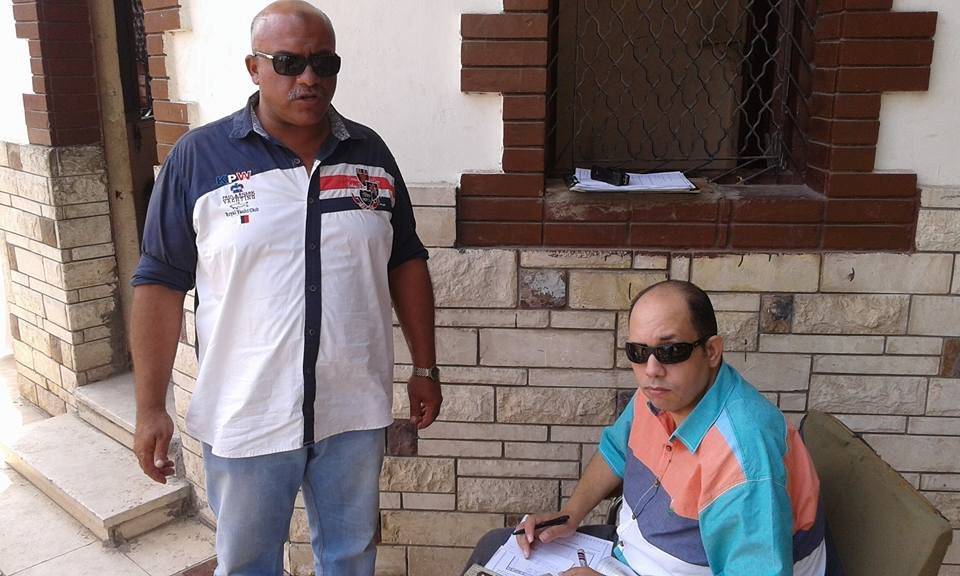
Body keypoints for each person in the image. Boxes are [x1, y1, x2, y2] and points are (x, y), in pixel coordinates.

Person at [129, 2, 442, 574]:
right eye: (289, 62)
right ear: (254, 68)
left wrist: (426, 366)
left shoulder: (370, 155)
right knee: (248, 564)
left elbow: (405, 260)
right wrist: (150, 407)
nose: (309, 78)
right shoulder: (198, 158)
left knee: (350, 558)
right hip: (248, 413)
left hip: (353, 409)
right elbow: (159, 284)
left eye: (324, 63)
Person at [466, 280, 837, 576]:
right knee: (494, 548)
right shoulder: (662, 395)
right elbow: (616, 451)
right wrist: (571, 514)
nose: (652, 370)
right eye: (638, 352)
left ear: (711, 351)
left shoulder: (743, 459)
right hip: (631, 551)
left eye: (671, 351)